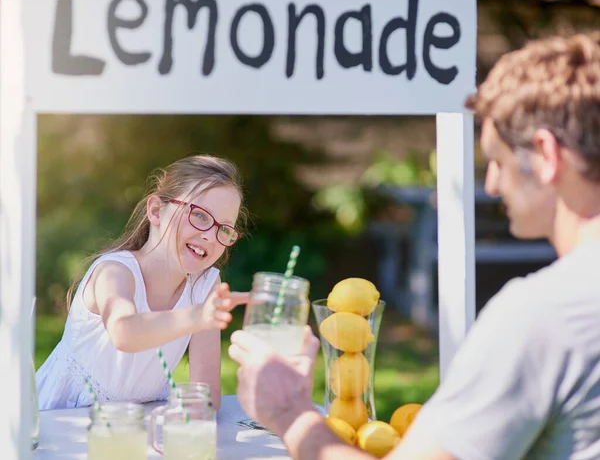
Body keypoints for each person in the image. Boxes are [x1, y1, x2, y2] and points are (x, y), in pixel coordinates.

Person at [229, 33, 600, 459]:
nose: (493, 184)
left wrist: (290, 413)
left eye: (496, 160)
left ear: (545, 155)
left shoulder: (543, 316)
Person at [37, 154, 249, 410]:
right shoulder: (114, 272)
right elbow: (124, 331)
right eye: (200, 216)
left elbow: (206, 399)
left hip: (136, 425)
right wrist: (197, 317)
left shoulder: (205, 287)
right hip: (63, 419)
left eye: (224, 228)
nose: (210, 236)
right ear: (156, 211)